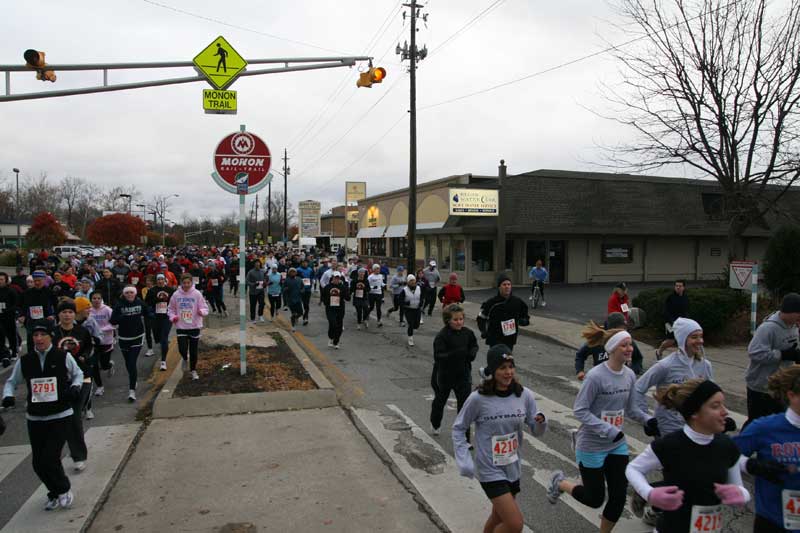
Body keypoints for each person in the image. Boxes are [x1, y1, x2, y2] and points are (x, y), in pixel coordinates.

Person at [548, 324, 650, 533]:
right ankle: (561, 483)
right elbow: (580, 410)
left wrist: (649, 420)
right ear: (612, 349)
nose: (630, 348)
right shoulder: (595, 376)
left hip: (616, 445)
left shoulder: (629, 375)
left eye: (630, 344)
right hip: (591, 445)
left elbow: (631, 409)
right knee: (594, 499)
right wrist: (608, 429)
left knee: (619, 496)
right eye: (624, 345)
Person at [626, 379, 749, 532]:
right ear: (695, 412)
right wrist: (649, 493)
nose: (725, 411)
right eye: (715, 406)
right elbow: (633, 468)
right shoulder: (670, 444)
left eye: (723, 404)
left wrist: (740, 494)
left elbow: (739, 489)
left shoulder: (727, 445)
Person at [631, 317, 719, 525]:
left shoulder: (704, 365)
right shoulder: (666, 366)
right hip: (669, 428)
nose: (699, 341)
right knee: (681, 475)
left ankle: (650, 499)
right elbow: (638, 388)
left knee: (687, 477)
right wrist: (645, 418)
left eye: (700, 336)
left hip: (696, 428)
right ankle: (661, 513)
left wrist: (720, 418)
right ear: (682, 339)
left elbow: (712, 395)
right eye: (693, 337)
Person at [453, 344, 547, 533]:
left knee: (498, 516)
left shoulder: (524, 395)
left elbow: (536, 429)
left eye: (511, 367)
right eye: (502, 367)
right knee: (514, 524)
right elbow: (458, 428)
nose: (508, 372)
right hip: (489, 468)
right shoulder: (478, 398)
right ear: (493, 370)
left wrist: (540, 421)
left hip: (512, 466)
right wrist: (464, 460)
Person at [2, 321, 83, 511]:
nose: (38, 338)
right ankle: (53, 492)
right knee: (38, 463)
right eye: (35, 335)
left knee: (50, 457)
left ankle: (64, 489)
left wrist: (75, 387)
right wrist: (8, 396)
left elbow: (78, 374)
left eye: (42, 335)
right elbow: (11, 382)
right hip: (36, 418)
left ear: (50, 337)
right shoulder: (25, 360)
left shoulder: (63, 356)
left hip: (60, 415)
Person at [734, 365, 800, 532]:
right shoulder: (764, 428)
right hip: (773, 521)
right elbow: (726, 455)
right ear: (791, 395)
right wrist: (751, 465)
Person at [746, 292, 800, 428]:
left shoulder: (794, 326)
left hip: (781, 385)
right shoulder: (768, 328)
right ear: (790, 312)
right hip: (761, 386)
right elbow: (754, 353)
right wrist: (782, 354)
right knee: (756, 422)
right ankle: (741, 447)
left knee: (779, 422)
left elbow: (793, 348)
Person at [52, 300, 93, 472]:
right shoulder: (52, 333)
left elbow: (90, 349)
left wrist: (84, 356)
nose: (67, 315)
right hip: (59, 381)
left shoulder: (82, 331)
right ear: (58, 314)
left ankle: (78, 456)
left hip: (82, 378)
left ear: (74, 314)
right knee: (59, 419)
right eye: (64, 312)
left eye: (70, 312)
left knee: (73, 416)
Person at [430, 304, 477, 436]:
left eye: (461, 319)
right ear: (448, 320)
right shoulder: (442, 336)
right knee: (440, 401)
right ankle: (435, 423)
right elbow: (438, 356)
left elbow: (474, 345)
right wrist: (455, 353)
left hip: (463, 375)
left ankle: (465, 438)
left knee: (464, 407)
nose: (459, 322)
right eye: (455, 320)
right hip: (444, 375)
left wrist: (472, 353)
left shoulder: (468, 333)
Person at [110, 286, 152, 402]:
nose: (129, 294)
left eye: (131, 292)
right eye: (127, 293)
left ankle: (132, 390)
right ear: (124, 294)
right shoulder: (119, 305)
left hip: (138, 336)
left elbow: (148, 313)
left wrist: (155, 317)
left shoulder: (140, 303)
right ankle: (134, 380)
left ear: (135, 294)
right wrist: (123, 317)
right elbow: (113, 320)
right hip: (124, 337)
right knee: (128, 363)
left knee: (132, 362)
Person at [575, 313, 645, 379]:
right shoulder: (598, 341)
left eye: (624, 329)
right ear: (611, 329)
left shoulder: (626, 340)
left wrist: (632, 371)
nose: (623, 331)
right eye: (620, 328)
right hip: (600, 380)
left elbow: (638, 358)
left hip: (620, 378)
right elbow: (580, 355)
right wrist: (580, 370)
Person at [168, 274, 209, 380]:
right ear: (181, 283)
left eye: (188, 283)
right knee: (182, 349)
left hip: (194, 325)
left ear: (191, 283)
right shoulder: (176, 295)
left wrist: (202, 312)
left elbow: (205, 308)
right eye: (184, 283)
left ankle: (193, 370)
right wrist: (173, 317)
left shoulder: (197, 294)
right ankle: (185, 358)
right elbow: (171, 309)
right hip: (181, 325)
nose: (186, 285)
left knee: (194, 351)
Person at [477, 274, 530, 352]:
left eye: (509, 284)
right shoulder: (491, 303)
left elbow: (525, 314)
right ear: (499, 287)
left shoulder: (517, 301)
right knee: (496, 362)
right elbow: (481, 318)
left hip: (510, 338)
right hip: (495, 339)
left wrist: (525, 320)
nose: (507, 287)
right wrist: (483, 331)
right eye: (504, 284)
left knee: (507, 361)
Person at [145, 275, 175, 371]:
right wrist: (158, 300)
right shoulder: (152, 291)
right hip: (156, 317)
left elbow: (175, 302)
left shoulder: (170, 290)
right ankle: (162, 345)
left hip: (167, 316)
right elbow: (147, 303)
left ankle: (163, 361)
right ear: (156, 281)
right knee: (157, 337)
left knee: (164, 338)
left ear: (165, 280)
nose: (160, 281)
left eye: (162, 279)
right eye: (158, 279)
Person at [88, 291, 116, 395]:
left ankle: (109, 365)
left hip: (106, 341)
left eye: (98, 298)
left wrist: (102, 329)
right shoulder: (88, 311)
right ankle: (100, 386)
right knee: (94, 365)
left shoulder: (107, 310)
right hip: (93, 342)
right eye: (94, 298)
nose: (96, 300)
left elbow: (115, 324)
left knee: (104, 365)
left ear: (101, 299)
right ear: (91, 299)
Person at [321, 271, 349, 349]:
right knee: (333, 323)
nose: (336, 279)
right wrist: (326, 302)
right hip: (330, 308)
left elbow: (347, 298)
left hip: (340, 308)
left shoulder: (342, 287)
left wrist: (346, 289)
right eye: (335, 278)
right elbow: (323, 296)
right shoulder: (328, 287)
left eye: (338, 278)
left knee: (339, 326)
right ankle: (331, 337)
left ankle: (336, 342)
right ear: (332, 278)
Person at [0, 272, 20, 366]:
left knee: (11, 335)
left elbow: (16, 304)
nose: (0, 281)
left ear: (6, 280)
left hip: (9, 317)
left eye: (1, 279)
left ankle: (14, 352)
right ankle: (3, 355)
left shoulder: (11, 291)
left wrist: (8, 310)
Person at [402, 274, 423, 346]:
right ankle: (410, 338)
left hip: (417, 309)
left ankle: (412, 328)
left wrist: (421, 303)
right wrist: (406, 303)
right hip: (408, 310)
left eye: (414, 281)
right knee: (411, 324)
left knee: (416, 325)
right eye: (411, 281)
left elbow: (422, 297)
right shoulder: (404, 290)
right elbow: (400, 301)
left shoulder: (419, 288)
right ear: (408, 282)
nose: (413, 282)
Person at [282, 268, 304, 332]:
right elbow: (283, 289)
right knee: (293, 313)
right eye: (291, 272)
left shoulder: (299, 279)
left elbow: (303, 287)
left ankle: (296, 317)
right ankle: (293, 326)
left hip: (298, 299)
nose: (293, 273)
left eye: (294, 272)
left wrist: (302, 291)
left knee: (300, 313)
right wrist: (286, 289)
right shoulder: (286, 280)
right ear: (289, 273)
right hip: (290, 300)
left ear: (296, 273)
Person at [367, 263, 386, 328]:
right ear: (374, 269)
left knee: (378, 308)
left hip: (378, 293)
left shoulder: (381, 276)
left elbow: (381, 283)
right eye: (377, 269)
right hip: (372, 294)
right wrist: (372, 287)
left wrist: (384, 285)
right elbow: (367, 285)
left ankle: (379, 321)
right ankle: (367, 314)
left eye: (379, 269)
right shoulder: (370, 277)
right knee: (371, 307)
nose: (378, 270)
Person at [296, 259, 314, 326]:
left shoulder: (310, 270)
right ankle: (297, 315)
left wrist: (311, 283)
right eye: (303, 263)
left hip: (307, 290)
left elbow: (312, 278)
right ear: (301, 263)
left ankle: (305, 318)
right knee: (298, 304)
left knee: (306, 305)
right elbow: (295, 279)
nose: (305, 264)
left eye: (306, 262)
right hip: (299, 290)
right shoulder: (298, 270)